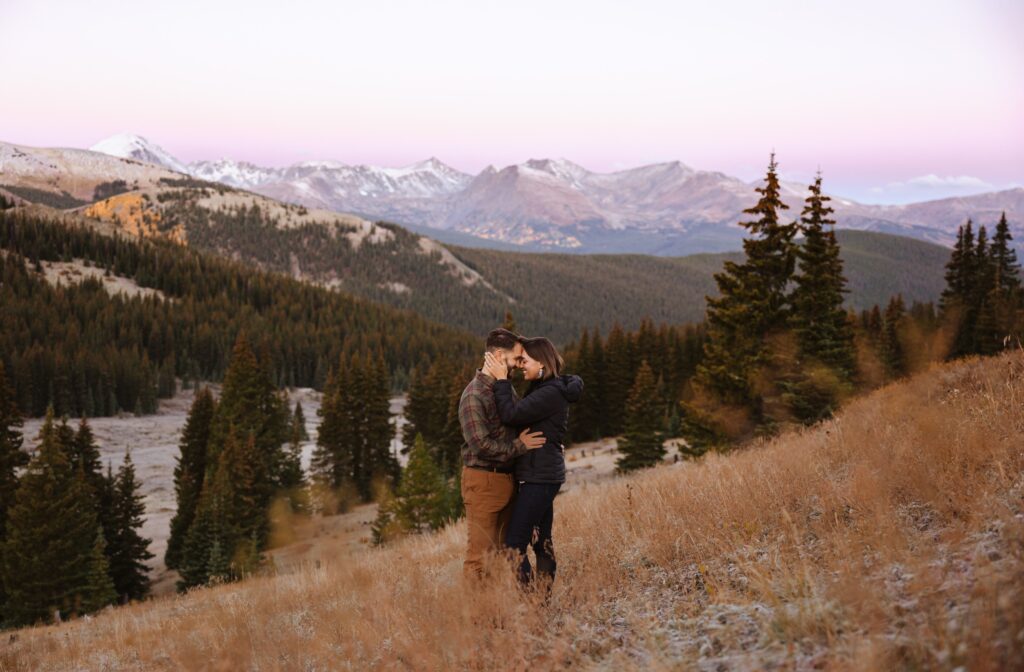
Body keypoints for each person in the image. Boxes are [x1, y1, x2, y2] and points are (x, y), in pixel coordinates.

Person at [484, 336, 583, 588]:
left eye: (524, 360)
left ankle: (531, 604)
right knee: (541, 541)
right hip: (542, 474)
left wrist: (502, 381)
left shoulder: (549, 391)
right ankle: (541, 605)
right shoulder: (547, 388)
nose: (520, 366)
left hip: (540, 478)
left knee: (514, 546)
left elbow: (511, 414)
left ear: (541, 362)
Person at [458, 328, 545, 581]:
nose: (520, 364)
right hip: (484, 482)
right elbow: (481, 445)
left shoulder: (504, 389)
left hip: (507, 480)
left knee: (505, 553)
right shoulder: (474, 395)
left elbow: (518, 419)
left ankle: (498, 610)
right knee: (479, 557)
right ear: (497, 355)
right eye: (516, 358)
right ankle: (474, 619)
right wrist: (520, 446)